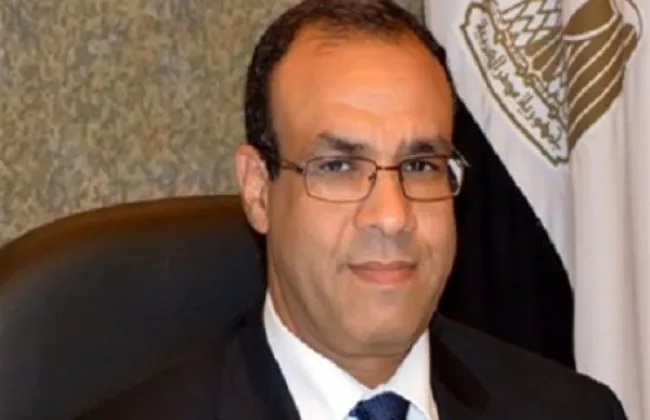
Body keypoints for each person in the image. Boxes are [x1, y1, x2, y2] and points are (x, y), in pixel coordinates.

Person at [78, 0, 628, 419]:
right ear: (258, 190)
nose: (391, 215)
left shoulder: (575, 412)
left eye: (420, 165)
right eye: (339, 166)